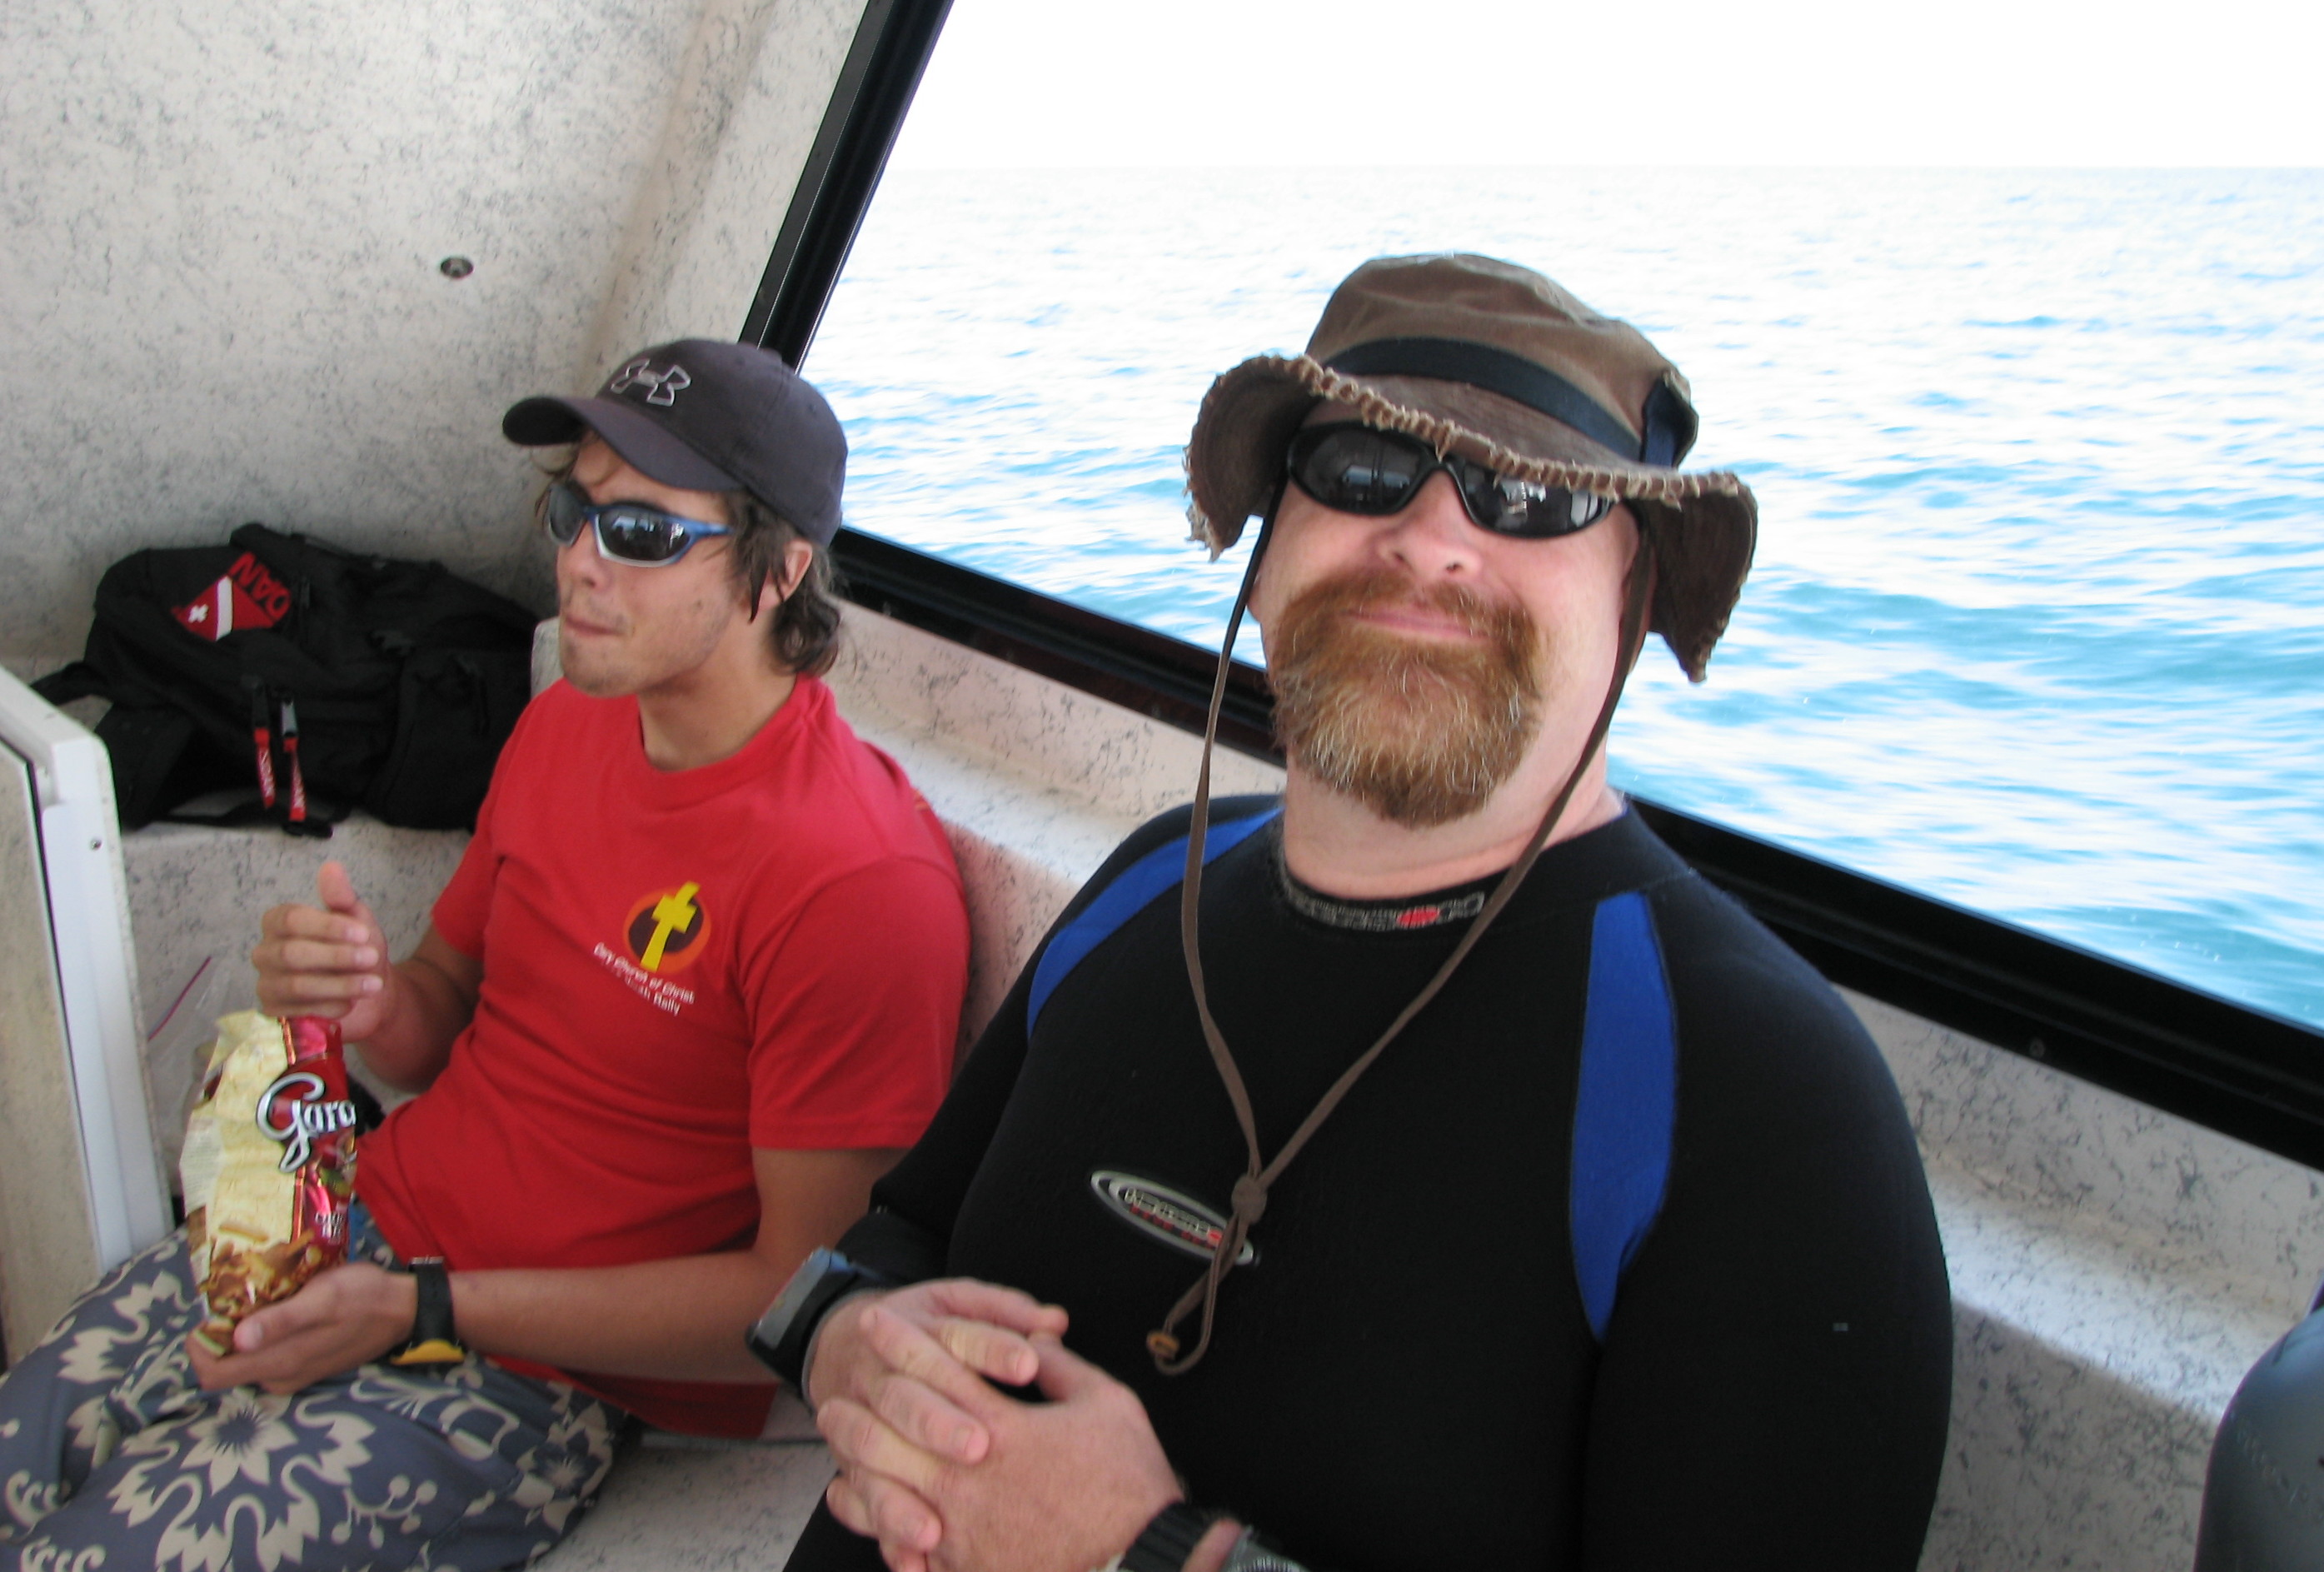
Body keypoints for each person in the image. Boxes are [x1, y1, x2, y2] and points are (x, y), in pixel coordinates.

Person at [766, 256, 1954, 1572]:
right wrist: (840, 1339)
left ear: (1632, 598)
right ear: (1265, 551)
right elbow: (897, 1235)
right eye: (1362, 468)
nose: (1432, 538)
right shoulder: (1156, 878)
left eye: (1533, 497)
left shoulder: (1757, 1089)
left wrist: (1149, 1554)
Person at [0, 339, 971, 1570]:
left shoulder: (856, 883)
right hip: (359, 1222)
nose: (579, 560)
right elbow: (437, 1020)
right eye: (573, 510)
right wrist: (369, 999)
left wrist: (420, 1307)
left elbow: (799, 1301)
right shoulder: (568, 723)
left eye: (642, 532)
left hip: (527, 1376)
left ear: (778, 572)